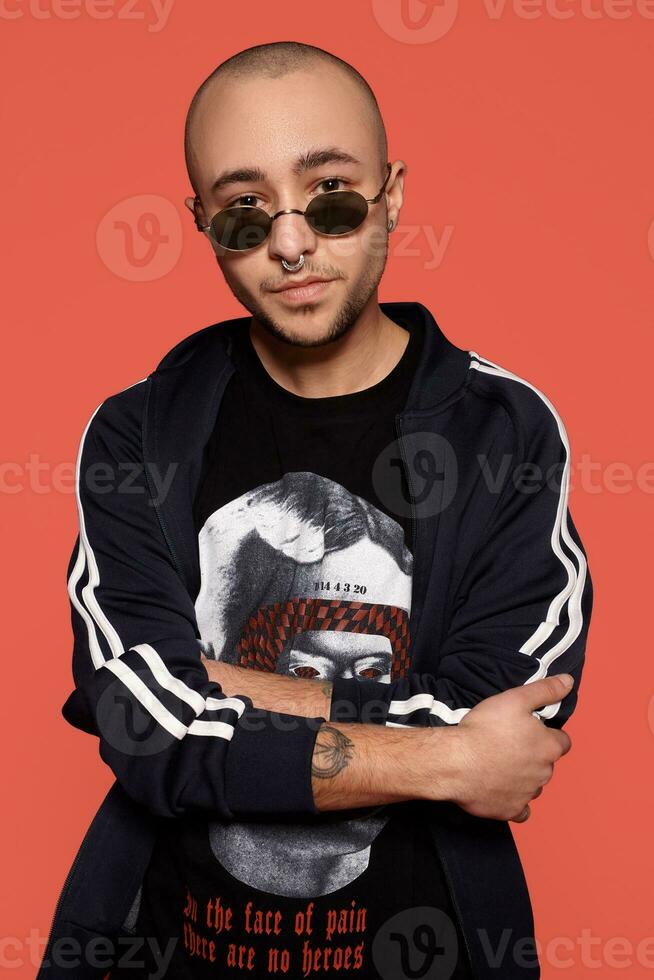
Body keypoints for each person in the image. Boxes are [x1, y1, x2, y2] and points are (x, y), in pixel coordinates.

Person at [38, 41, 593, 980]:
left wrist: (218, 684)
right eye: (243, 213)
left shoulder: (504, 435)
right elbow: (145, 727)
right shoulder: (140, 435)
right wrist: (445, 760)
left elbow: (511, 722)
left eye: (331, 194)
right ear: (202, 222)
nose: (291, 244)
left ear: (393, 193)